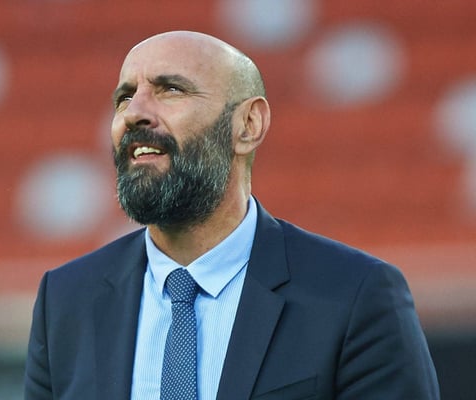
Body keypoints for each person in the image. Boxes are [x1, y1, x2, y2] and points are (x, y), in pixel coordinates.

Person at [24, 31, 440, 399]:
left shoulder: (354, 295)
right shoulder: (66, 300)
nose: (134, 113)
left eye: (171, 90)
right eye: (125, 97)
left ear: (248, 125)